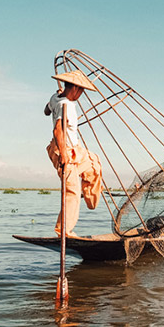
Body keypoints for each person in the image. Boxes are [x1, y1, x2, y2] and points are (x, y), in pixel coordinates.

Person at [45, 70, 103, 237]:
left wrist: (55, 99)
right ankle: (64, 231)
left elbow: (46, 111)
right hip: (63, 149)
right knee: (72, 192)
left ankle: (90, 198)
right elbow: (57, 130)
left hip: (74, 149)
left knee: (94, 162)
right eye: (81, 91)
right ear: (75, 88)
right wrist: (63, 155)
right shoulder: (67, 105)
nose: (80, 95)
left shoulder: (55, 98)